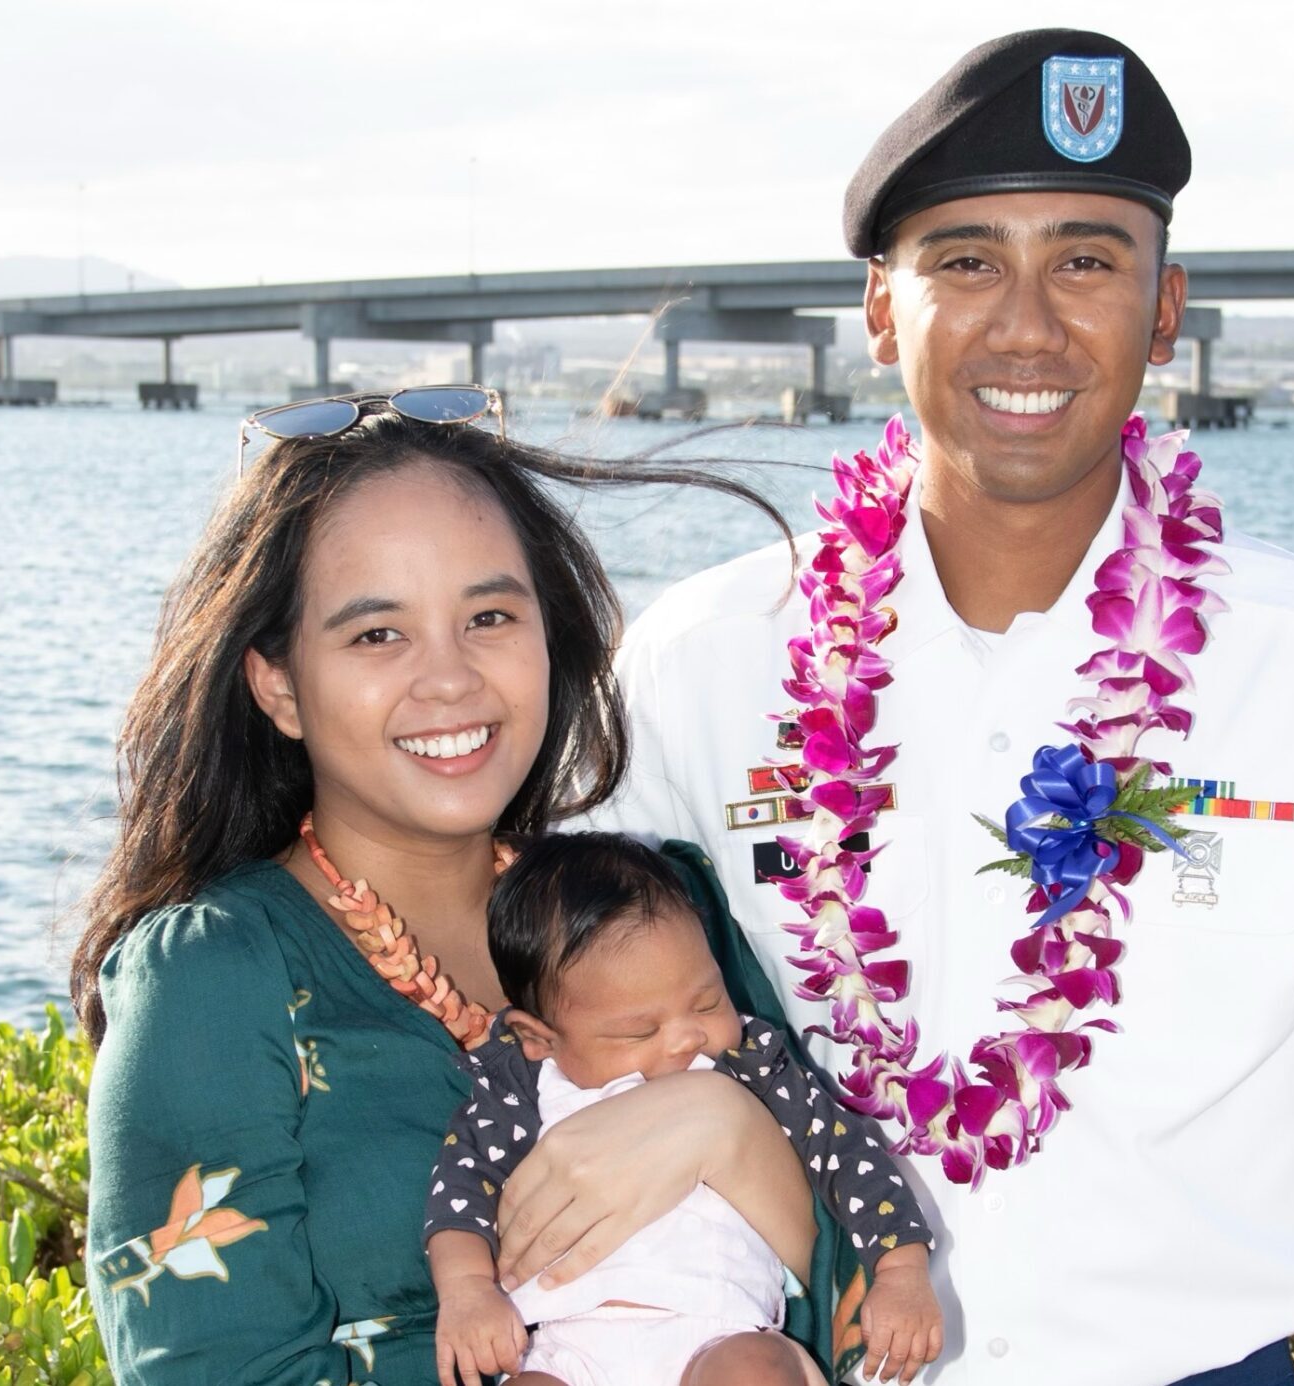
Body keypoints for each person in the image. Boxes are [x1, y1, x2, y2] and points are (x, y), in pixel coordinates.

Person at [595, 31, 1294, 1386]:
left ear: (1166, 305)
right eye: (965, 261)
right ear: (882, 310)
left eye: (1085, 259)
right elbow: (573, 1041)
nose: (1027, 322)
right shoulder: (698, 664)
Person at [74, 394, 853, 1383]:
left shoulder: (655, 908)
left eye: (489, 616)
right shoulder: (215, 982)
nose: (449, 679)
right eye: (376, 635)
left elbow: (860, 1321)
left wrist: (726, 1131)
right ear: (276, 684)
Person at [424, 830, 942, 1386]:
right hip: (566, 1346)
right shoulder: (521, 1088)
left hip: (719, 1329)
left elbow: (846, 1153)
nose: (685, 1038)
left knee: (753, 1374)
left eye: (707, 1000)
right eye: (640, 1030)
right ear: (539, 1038)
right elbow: (459, 1190)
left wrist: (902, 1270)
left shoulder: (748, 1062)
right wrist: (468, 1290)